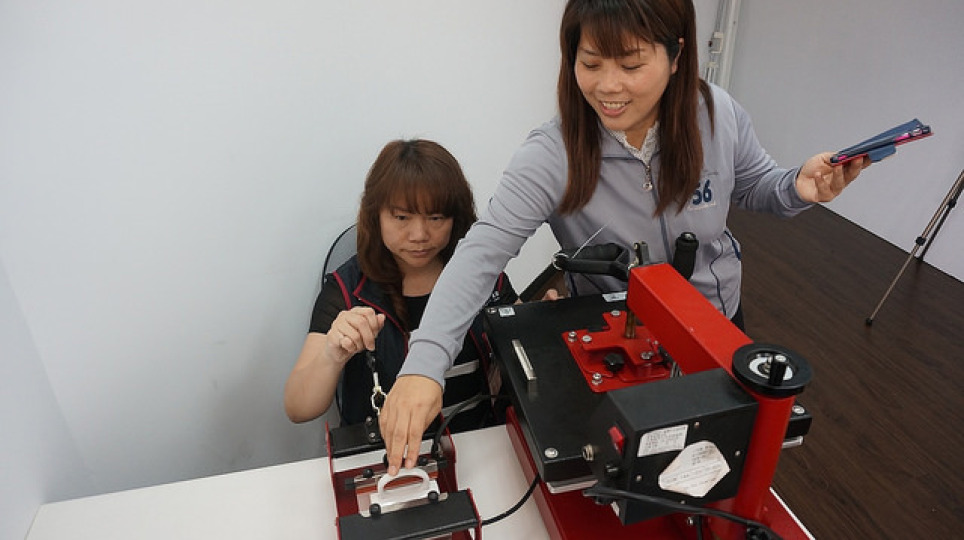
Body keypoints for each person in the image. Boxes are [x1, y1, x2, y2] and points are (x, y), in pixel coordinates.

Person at [377, 0, 870, 474]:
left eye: (631, 64)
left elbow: (757, 185)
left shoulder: (716, 114)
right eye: (590, 63)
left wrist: (796, 187)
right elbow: (481, 255)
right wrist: (424, 365)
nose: (608, 87)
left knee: (718, 464)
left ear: (676, 55)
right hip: (620, 347)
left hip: (717, 328)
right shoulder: (553, 154)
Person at [284, 139, 517, 432]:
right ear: (376, 216)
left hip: (478, 440)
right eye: (402, 217)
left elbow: (527, 354)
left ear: (455, 218)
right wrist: (332, 354)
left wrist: (545, 327)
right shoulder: (347, 289)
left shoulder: (481, 275)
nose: (419, 235)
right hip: (385, 449)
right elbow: (298, 408)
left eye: (435, 217)